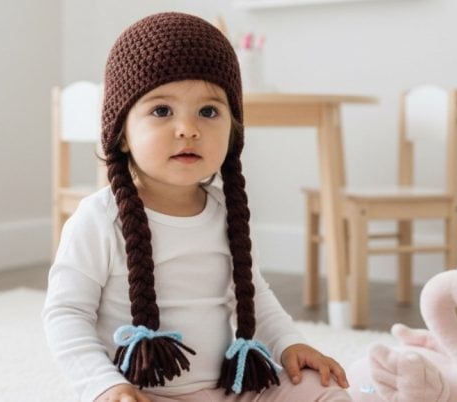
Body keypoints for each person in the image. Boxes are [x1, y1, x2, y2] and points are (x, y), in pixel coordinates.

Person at [42, 12, 350, 402]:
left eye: (208, 111)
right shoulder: (99, 219)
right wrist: (105, 385)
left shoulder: (226, 212)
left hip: (234, 388)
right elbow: (66, 315)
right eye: (161, 111)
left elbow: (254, 295)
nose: (188, 128)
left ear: (233, 130)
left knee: (325, 390)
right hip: (144, 393)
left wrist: (290, 343)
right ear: (121, 134)